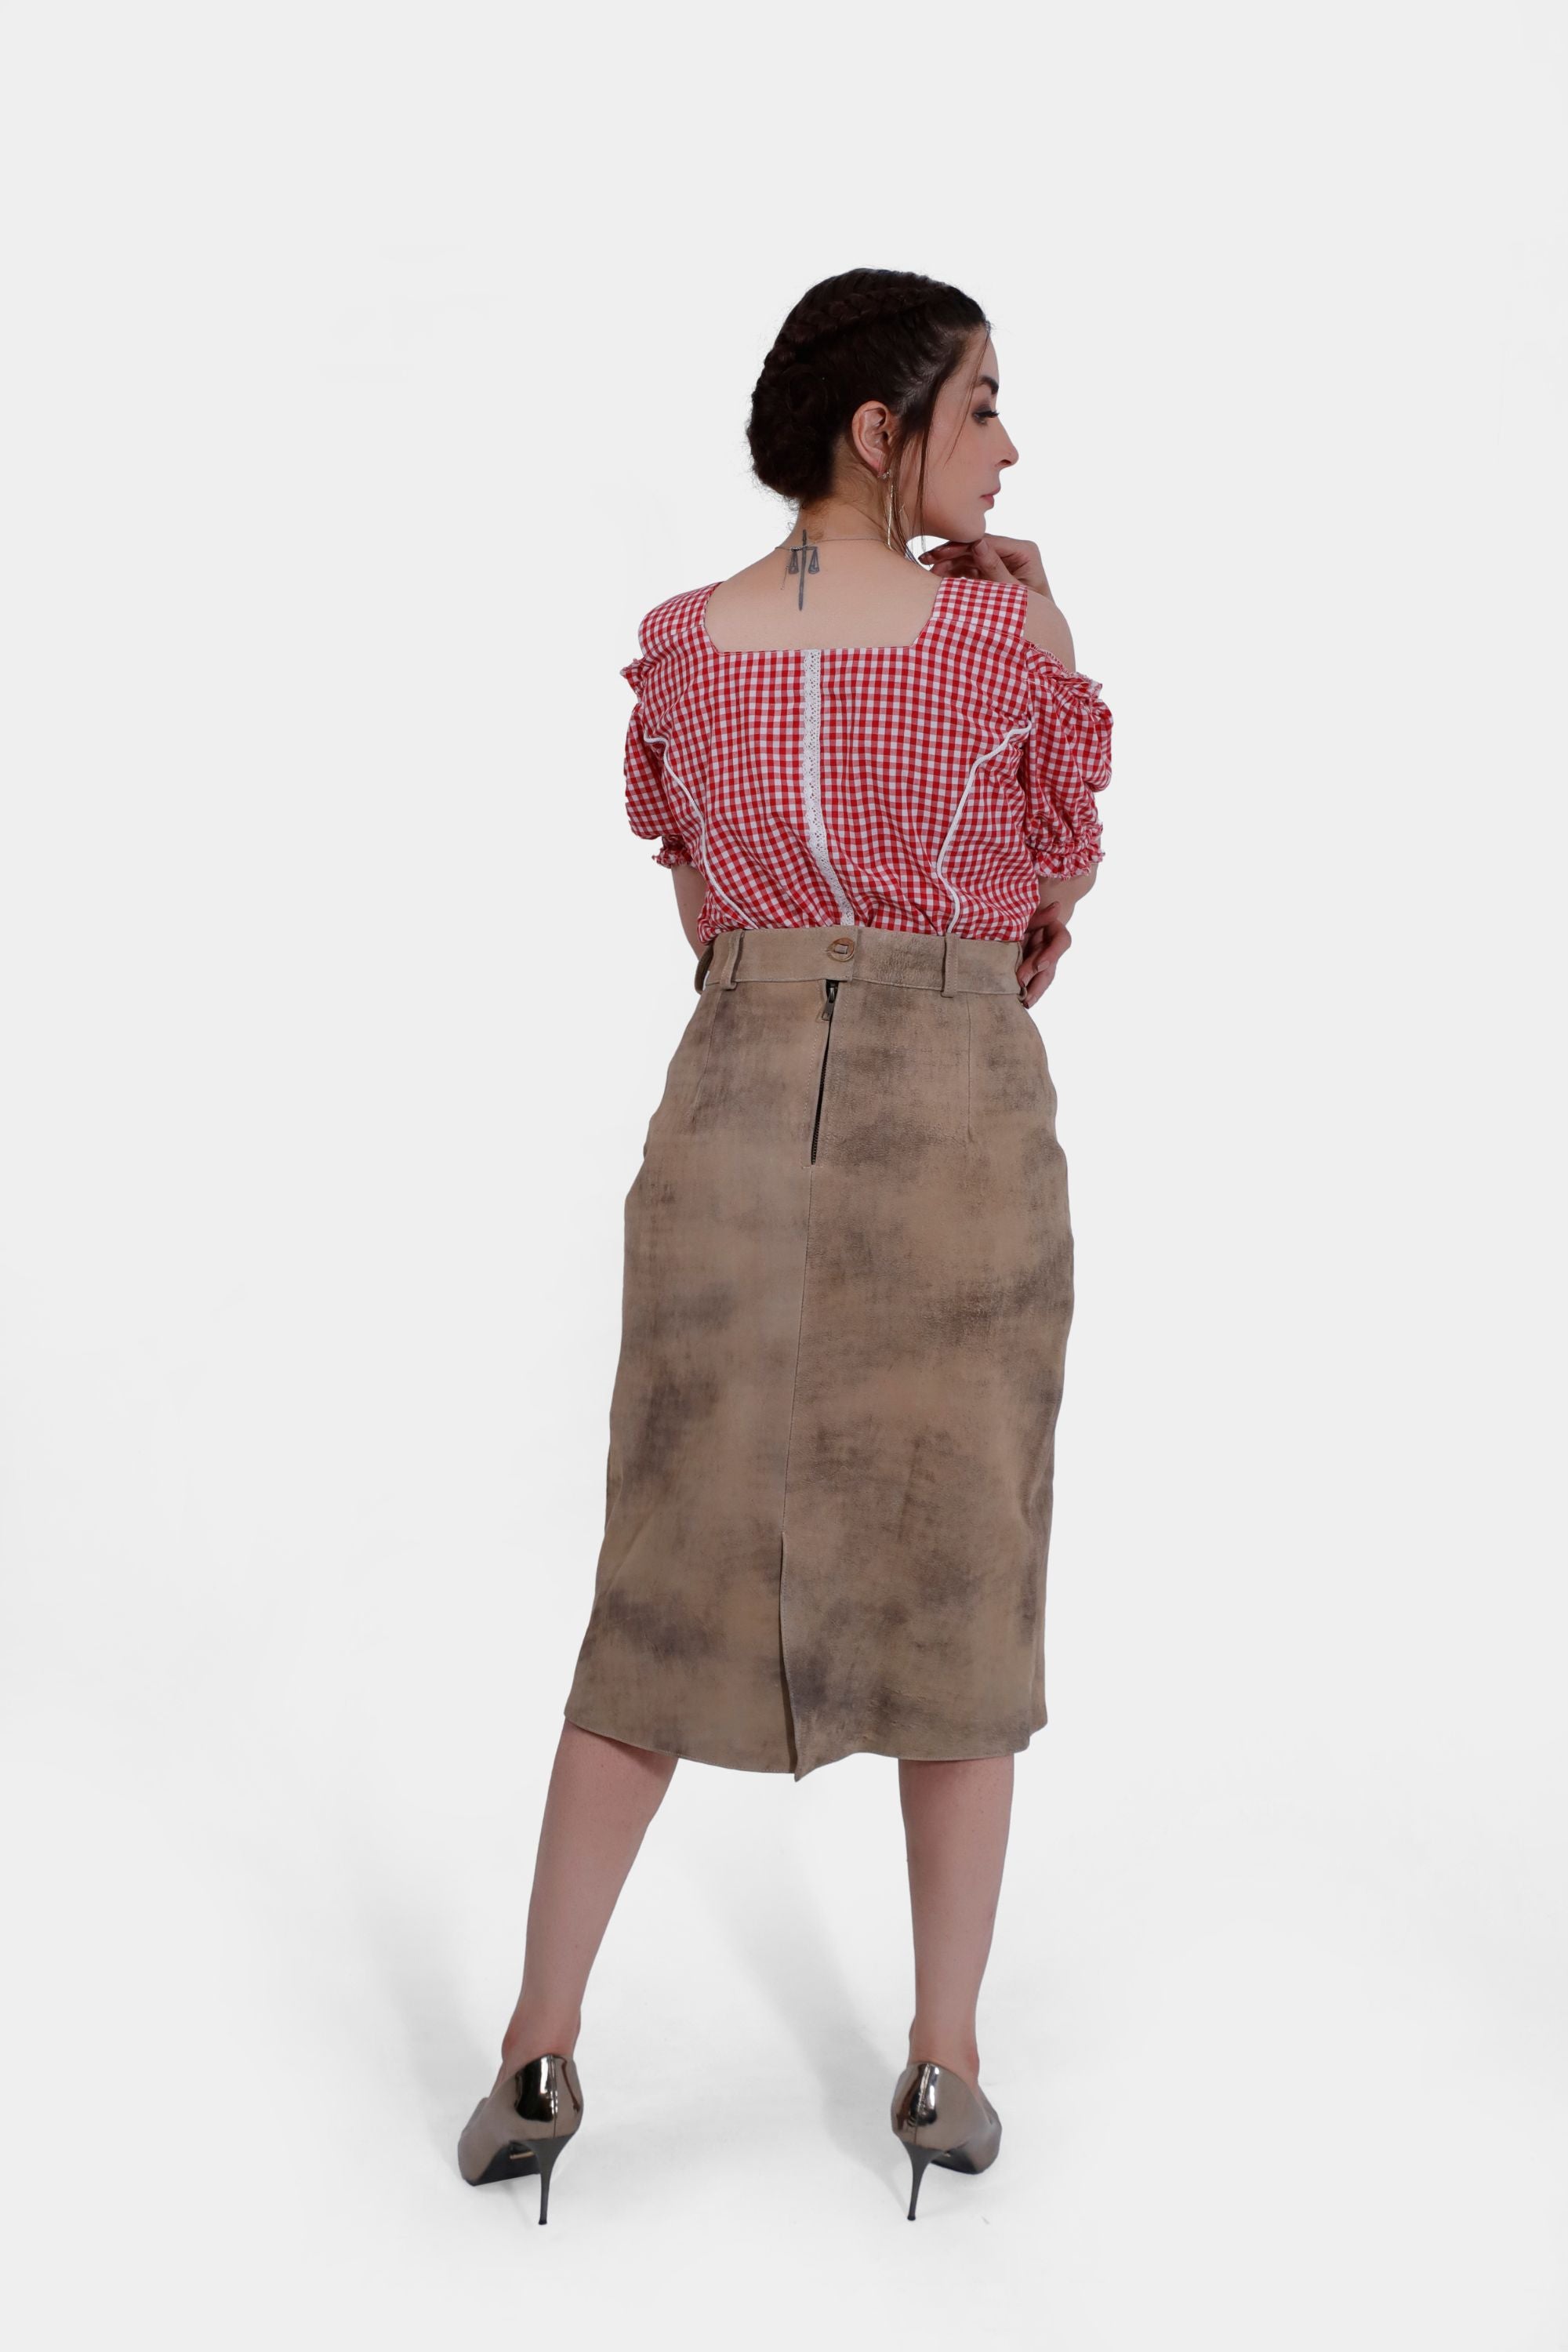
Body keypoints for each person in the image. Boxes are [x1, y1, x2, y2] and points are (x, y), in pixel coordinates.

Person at [457, 267, 1113, 2223]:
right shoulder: (1001, 650)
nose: (1009, 444)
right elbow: (1056, 872)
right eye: (981, 406)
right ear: (878, 429)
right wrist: (1048, 650)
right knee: (961, 1563)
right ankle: (946, 2057)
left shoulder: (679, 649)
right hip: (953, 1124)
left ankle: (538, 2044)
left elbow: (695, 910)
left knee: (661, 1567)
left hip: (732, 1105)